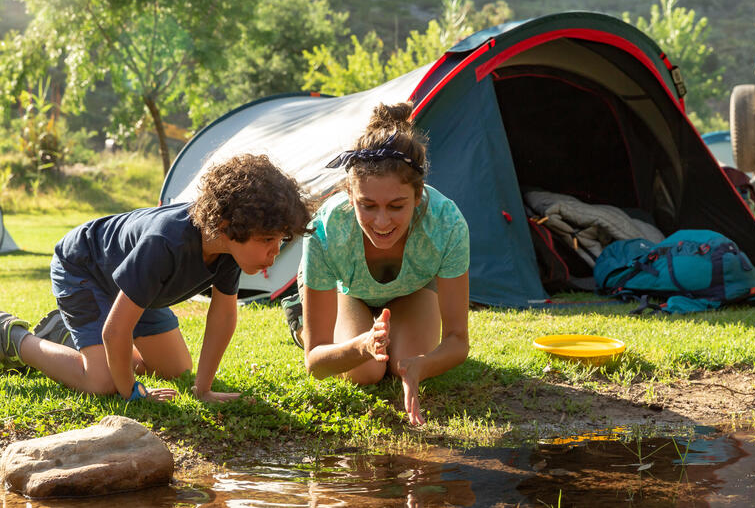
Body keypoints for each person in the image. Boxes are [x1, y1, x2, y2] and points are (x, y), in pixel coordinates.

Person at [0, 154, 311, 402]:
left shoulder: (227, 247)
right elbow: (115, 332)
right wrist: (131, 392)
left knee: (175, 371)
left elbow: (223, 315)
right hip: (85, 267)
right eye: (267, 240)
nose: (275, 253)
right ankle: (13, 338)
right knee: (103, 382)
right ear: (228, 224)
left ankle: (66, 337)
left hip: (140, 288)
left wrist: (203, 389)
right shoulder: (166, 243)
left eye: (280, 241)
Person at [293, 101, 470, 425]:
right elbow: (316, 364)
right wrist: (360, 345)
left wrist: (422, 366)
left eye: (397, 206)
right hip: (347, 288)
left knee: (404, 359)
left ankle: (379, 332)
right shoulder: (326, 229)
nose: (382, 221)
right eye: (367, 205)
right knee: (365, 370)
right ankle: (299, 318)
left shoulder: (446, 223)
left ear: (418, 197)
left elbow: (458, 341)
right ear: (350, 196)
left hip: (414, 289)